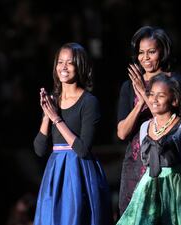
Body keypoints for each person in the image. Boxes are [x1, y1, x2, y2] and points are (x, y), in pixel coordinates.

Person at [116, 73, 181, 225]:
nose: (154, 100)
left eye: (160, 95)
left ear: (174, 100)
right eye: (151, 94)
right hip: (148, 194)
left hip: (177, 194)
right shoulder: (144, 128)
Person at [33, 42, 113, 225]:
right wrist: (47, 115)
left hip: (78, 171)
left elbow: (83, 149)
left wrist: (56, 119)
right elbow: (39, 149)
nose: (63, 67)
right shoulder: (53, 101)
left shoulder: (89, 102)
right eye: (60, 62)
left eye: (69, 63)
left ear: (80, 66)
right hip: (55, 172)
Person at [117, 25, 181, 215]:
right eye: (141, 53)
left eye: (151, 52)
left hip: (167, 162)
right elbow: (122, 132)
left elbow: (176, 126)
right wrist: (139, 102)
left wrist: (144, 92)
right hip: (136, 163)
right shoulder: (129, 85)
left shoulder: (176, 82)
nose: (145, 58)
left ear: (163, 51)